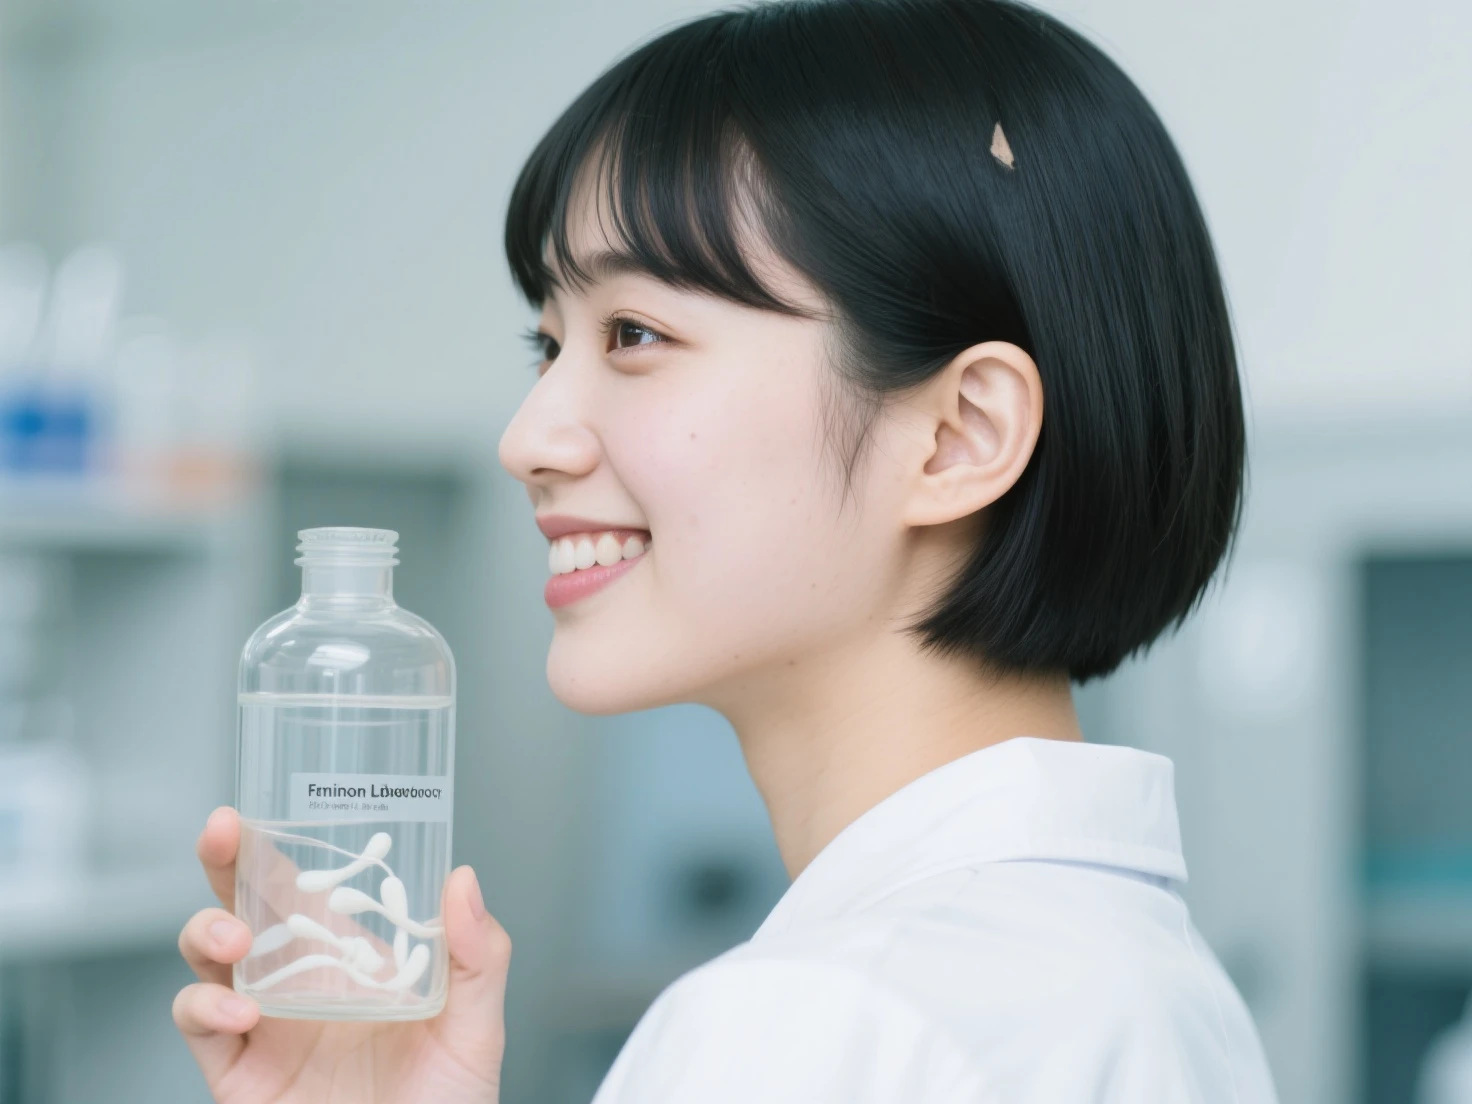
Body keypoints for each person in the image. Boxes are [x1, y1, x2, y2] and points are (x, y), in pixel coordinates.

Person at [173, 0, 1281, 1099]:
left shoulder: (815, 1025)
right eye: (547, 343)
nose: (528, 439)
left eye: (635, 335)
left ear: (957, 436)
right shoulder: (1141, 980)